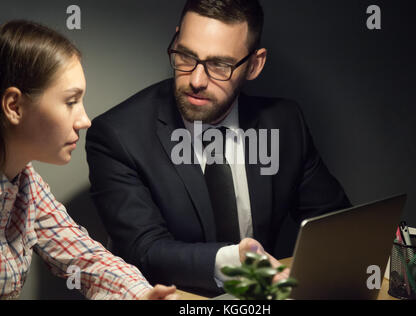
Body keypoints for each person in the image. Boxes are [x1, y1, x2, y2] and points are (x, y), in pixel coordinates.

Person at [86, 0, 351, 295]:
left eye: (219, 65)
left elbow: (334, 225)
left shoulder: (285, 123)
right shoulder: (118, 135)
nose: (196, 80)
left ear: (254, 64)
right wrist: (233, 262)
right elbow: (145, 250)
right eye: (186, 56)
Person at [0, 20, 178, 300]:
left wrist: (143, 295)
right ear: (14, 106)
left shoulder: (25, 182)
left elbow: (87, 259)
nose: (85, 120)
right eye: (71, 101)